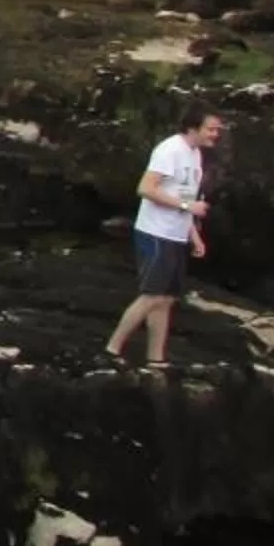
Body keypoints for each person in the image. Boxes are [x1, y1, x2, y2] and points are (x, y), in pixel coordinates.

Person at [106, 102, 222, 366]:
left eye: (217, 130)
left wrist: (194, 235)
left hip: (177, 234)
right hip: (155, 232)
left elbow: (185, 196)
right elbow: (146, 188)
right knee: (152, 294)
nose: (216, 135)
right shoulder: (170, 150)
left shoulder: (195, 154)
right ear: (193, 127)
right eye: (211, 129)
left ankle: (156, 358)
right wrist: (186, 207)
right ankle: (112, 348)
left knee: (167, 298)